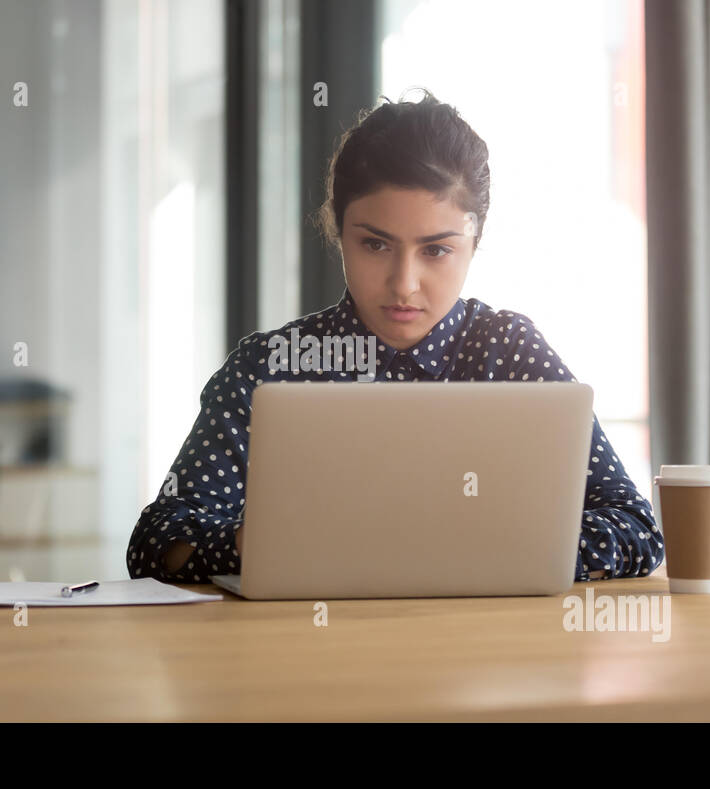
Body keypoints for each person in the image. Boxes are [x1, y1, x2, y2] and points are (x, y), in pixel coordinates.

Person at [127, 88, 663, 583]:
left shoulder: (508, 353)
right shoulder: (272, 366)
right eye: (376, 245)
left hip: (487, 663)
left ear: (474, 244)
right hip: (304, 661)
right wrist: (252, 544)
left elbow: (636, 528)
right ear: (338, 231)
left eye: (436, 250)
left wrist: (500, 553)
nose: (404, 284)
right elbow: (154, 542)